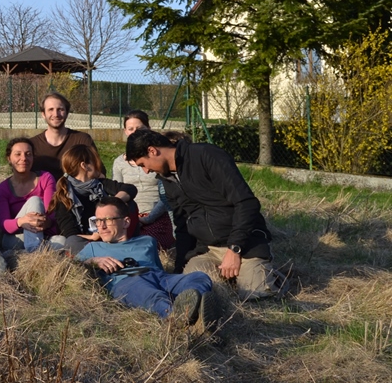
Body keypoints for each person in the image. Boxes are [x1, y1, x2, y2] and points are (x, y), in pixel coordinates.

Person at [126, 128, 284, 300]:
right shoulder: (166, 181)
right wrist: (178, 271)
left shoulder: (206, 155)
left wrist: (235, 248)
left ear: (152, 150)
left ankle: (269, 275)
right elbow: (182, 227)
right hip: (208, 250)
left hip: (245, 245)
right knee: (192, 293)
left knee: (256, 295)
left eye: (142, 164)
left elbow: (246, 203)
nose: (146, 171)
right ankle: (229, 280)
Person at [77, 196, 221, 328]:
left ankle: (197, 308)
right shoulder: (93, 248)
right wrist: (92, 261)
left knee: (199, 277)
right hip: (127, 282)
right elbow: (70, 268)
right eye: (97, 221)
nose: (101, 226)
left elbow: (159, 270)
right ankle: (176, 317)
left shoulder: (147, 241)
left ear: (126, 222)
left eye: (108, 220)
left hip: (159, 277)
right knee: (152, 295)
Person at [49, 144, 137, 255]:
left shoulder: (101, 184)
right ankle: (102, 256)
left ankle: (126, 245)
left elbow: (130, 189)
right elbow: (69, 233)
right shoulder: (64, 196)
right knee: (72, 242)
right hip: (87, 240)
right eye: (95, 161)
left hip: (109, 234)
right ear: (84, 165)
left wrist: (113, 203)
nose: (99, 165)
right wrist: (94, 236)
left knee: (130, 203)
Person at [111, 110, 173, 249]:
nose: (135, 133)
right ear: (125, 131)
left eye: (140, 129)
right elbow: (117, 193)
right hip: (130, 216)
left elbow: (167, 195)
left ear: (148, 129)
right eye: (130, 129)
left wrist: (149, 218)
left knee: (147, 243)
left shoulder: (157, 159)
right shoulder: (119, 162)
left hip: (157, 215)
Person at [0, 137, 56, 252]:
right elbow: (4, 225)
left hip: (42, 232)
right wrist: (21, 221)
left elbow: (52, 215)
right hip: (15, 236)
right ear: (9, 158)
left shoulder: (45, 178)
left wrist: (45, 223)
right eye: (18, 154)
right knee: (35, 200)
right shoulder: (2, 189)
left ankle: (27, 250)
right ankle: (35, 251)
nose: (23, 158)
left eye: (28, 154)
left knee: (61, 241)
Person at [30, 92, 96, 179]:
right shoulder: (32, 145)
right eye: (51, 109)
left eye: (60, 109)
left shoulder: (82, 140)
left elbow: (98, 171)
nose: (56, 114)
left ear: (67, 113)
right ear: (43, 114)